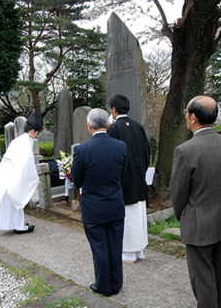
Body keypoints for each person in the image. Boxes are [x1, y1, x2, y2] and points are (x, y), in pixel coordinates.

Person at [170, 96, 221, 308]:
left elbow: (178, 193)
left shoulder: (185, 150)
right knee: (220, 276)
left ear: (192, 117)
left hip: (199, 223)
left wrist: (183, 215)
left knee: (203, 280)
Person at [72, 108, 126, 297]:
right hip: (115, 204)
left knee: (99, 246)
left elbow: (77, 181)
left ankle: (103, 285)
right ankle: (116, 283)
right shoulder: (121, 147)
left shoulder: (82, 150)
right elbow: (124, 175)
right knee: (115, 245)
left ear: (89, 126)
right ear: (109, 124)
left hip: (93, 207)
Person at [107, 94, 150, 263]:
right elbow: (147, 152)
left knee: (126, 216)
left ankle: (128, 252)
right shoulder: (138, 127)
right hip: (139, 178)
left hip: (122, 181)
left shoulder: (113, 129)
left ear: (113, 110)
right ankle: (139, 250)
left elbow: (112, 157)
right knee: (138, 214)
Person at [0, 114, 42, 234]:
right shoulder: (25, 142)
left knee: (13, 202)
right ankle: (19, 226)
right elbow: (26, 163)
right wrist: (33, 177)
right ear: (33, 131)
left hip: (7, 174)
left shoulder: (19, 140)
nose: (36, 135)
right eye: (37, 133)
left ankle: (17, 224)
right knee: (16, 200)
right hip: (13, 176)